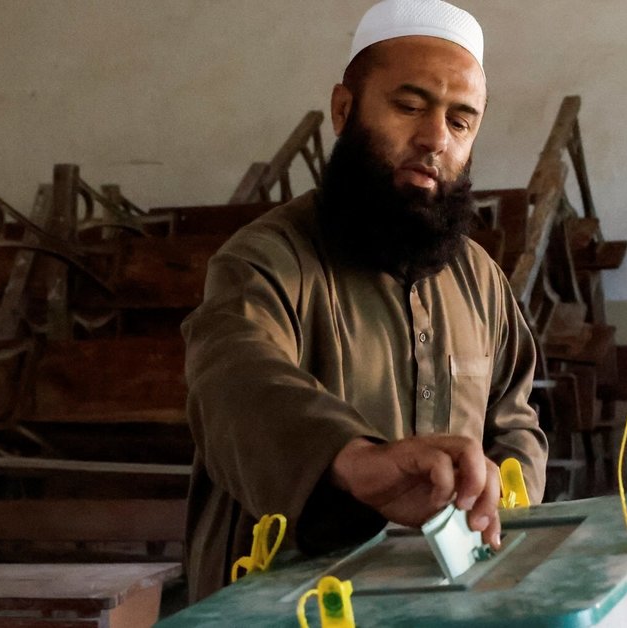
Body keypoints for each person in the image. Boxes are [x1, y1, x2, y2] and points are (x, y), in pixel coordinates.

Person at [181, 0, 548, 601]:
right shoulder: (267, 258)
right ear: (344, 110)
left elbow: (515, 419)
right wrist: (353, 461)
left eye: (460, 122)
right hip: (287, 602)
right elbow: (232, 377)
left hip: (445, 597)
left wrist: (501, 500)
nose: (434, 139)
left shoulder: (480, 278)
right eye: (409, 106)